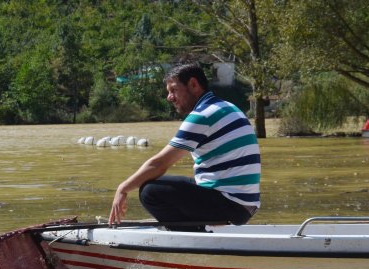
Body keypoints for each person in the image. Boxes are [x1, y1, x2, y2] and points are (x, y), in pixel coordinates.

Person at [108, 62, 260, 231]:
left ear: (193, 85)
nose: (169, 97)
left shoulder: (202, 115)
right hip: (243, 204)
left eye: (173, 90)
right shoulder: (226, 106)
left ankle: (193, 236)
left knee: (150, 191)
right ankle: (199, 227)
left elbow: (159, 164)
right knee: (167, 183)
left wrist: (123, 188)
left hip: (232, 205)